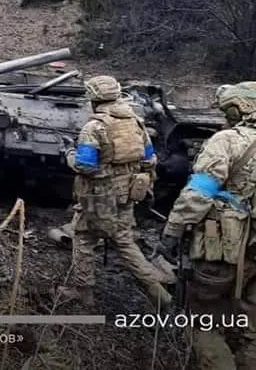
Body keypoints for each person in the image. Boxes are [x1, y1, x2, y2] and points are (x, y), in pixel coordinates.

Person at [157, 81, 256, 369]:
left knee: (202, 322)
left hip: (224, 250)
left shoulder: (226, 140)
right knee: (252, 331)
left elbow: (198, 193)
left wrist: (171, 233)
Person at [59, 75, 172, 308]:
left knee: (83, 238)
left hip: (97, 196)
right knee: (124, 241)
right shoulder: (136, 122)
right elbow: (149, 158)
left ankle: (83, 292)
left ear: (93, 99)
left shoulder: (94, 127)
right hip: (127, 193)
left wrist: (69, 153)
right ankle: (160, 295)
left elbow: (85, 166)